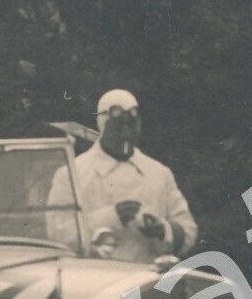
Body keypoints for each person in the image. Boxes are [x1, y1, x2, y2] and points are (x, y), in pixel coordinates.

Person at [48, 88, 197, 263]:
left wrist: (163, 230)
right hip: (95, 280)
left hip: (147, 280)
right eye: (118, 124)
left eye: (132, 123)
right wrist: (111, 217)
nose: (126, 131)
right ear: (103, 124)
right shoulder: (72, 174)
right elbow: (57, 235)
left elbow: (188, 230)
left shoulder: (160, 174)